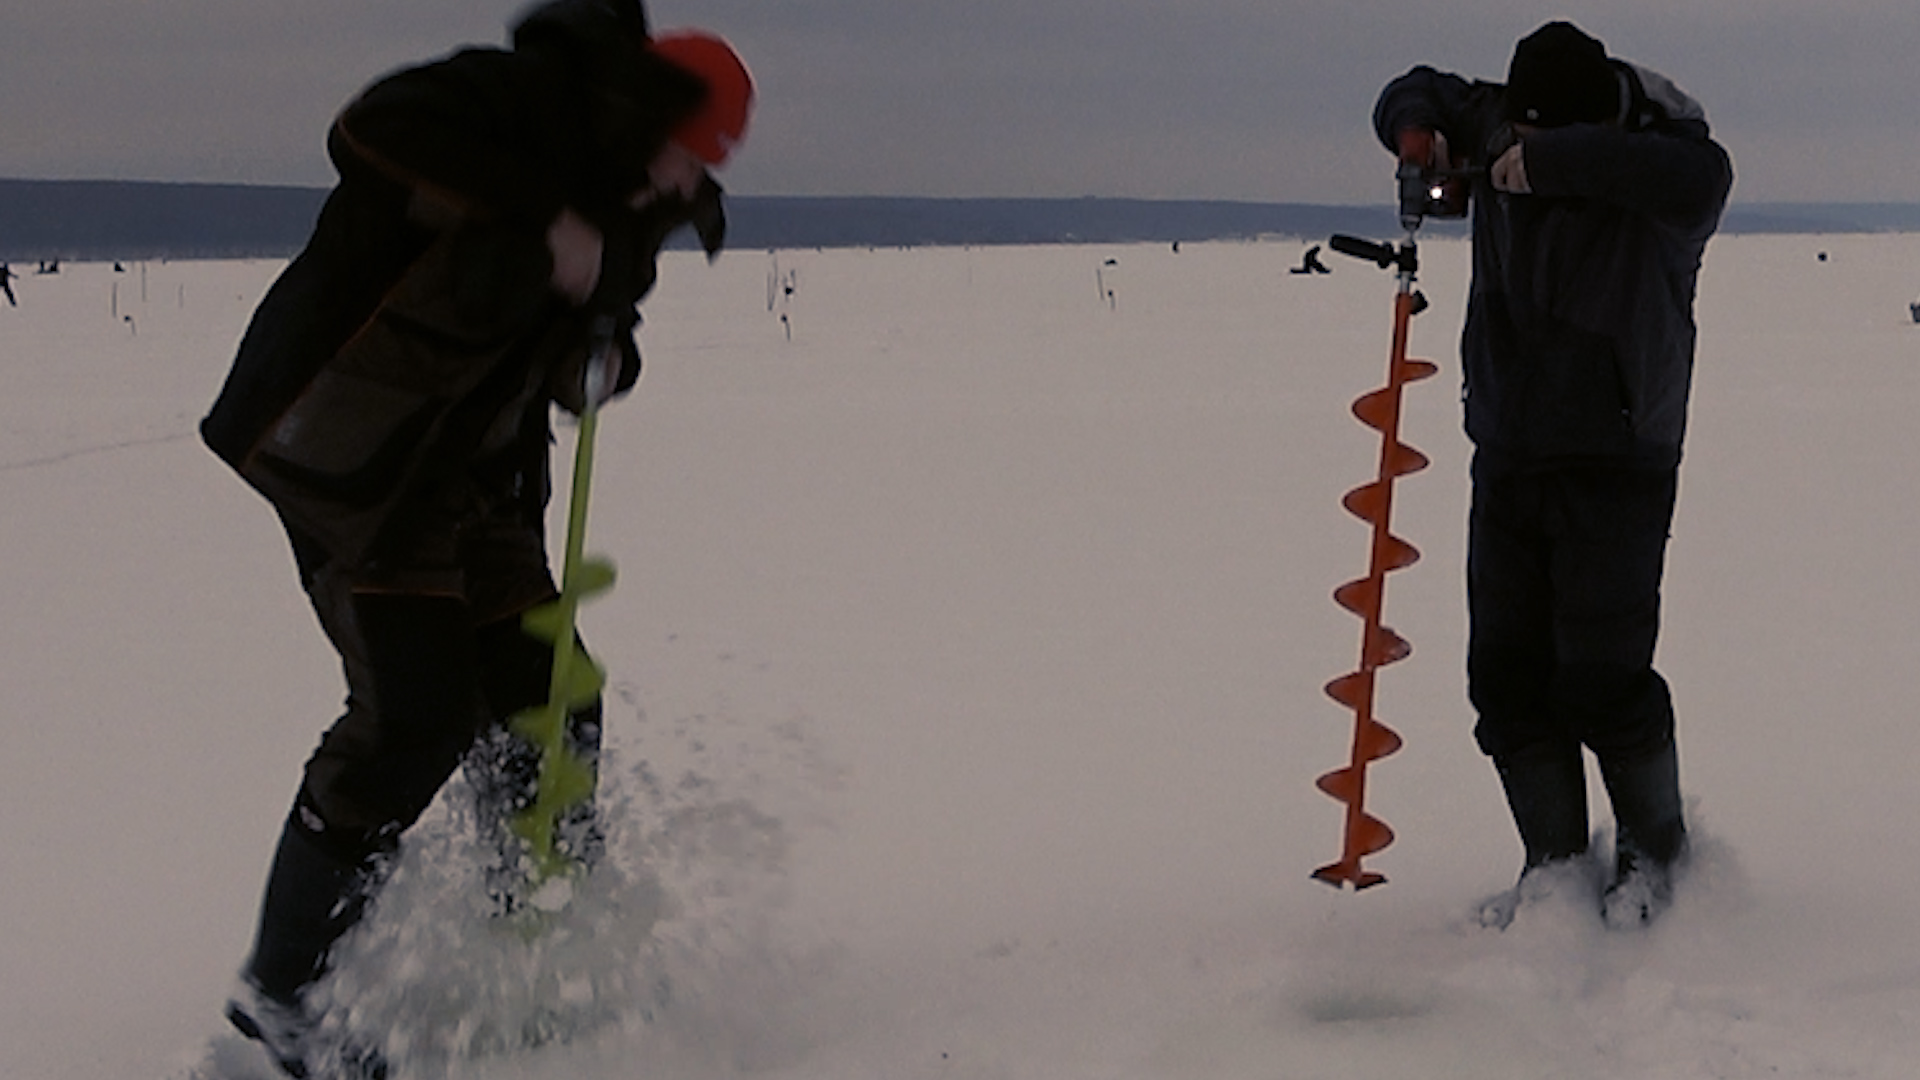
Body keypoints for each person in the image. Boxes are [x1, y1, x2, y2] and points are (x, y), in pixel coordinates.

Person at [197, 1, 752, 1074]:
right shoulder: (515, 107)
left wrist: (599, 356)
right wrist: (541, 219)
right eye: (692, 156)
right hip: (354, 451)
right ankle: (275, 1019)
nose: (691, 185)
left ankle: (536, 942)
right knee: (415, 714)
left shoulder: (635, 201)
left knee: (553, 697)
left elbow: (594, 325)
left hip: (479, 482)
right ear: (649, 118)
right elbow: (371, 129)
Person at [1372, 21, 1732, 927]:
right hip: (1508, 446)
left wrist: (1550, 164)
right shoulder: (1497, 117)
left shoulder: (1667, 161)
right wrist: (1418, 130)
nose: (1518, 153)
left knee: (1604, 677)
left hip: (1619, 453)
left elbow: (1699, 178)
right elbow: (1410, 88)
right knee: (1506, 676)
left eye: (1541, 138)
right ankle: (1555, 874)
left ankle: (1658, 871)